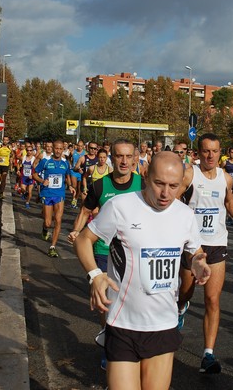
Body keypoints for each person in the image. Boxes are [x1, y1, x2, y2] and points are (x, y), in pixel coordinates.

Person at [73, 151, 211, 390]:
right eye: (159, 184)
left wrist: (199, 262)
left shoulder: (185, 215)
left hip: (163, 324)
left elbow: (195, 250)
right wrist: (95, 275)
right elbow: (83, 240)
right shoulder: (121, 206)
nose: (166, 193)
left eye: (173, 186)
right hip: (123, 322)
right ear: (146, 176)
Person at [176, 133, 233, 374]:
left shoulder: (226, 177)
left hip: (217, 243)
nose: (210, 155)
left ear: (221, 153)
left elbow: (229, 203)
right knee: (185, 293)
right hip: (192, 245)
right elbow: (175, 200)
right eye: (206, 151)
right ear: (198, 153)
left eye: (215, 151)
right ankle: (180, 308)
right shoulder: (189, 174)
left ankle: (208, 354)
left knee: (212, 299)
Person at [68, 139, 142, 370]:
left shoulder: (143, 184)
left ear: (135, 159)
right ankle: (108, 344)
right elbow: (85, 210)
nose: (124, 161)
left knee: (131, 302)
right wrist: (77, 231)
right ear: (112, 158)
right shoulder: (100, 185)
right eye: (119, 156)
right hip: (103, 251)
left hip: (132, 253)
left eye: (128, 157)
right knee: (107, 303)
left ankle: (130, 345)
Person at [33, 140, 75, 258]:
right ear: (53, 149)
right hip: (47, 193)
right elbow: (34, 174)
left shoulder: (65, 163)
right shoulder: (45, 162)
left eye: (60, 149)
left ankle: (52, 247)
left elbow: (67, 175)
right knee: (48, 222)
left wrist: (70, 185)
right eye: (56, 148)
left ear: (63, 150)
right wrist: (42, 181)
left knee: (58, 220)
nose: (58, 151)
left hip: (59, 194)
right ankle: (45, 229)